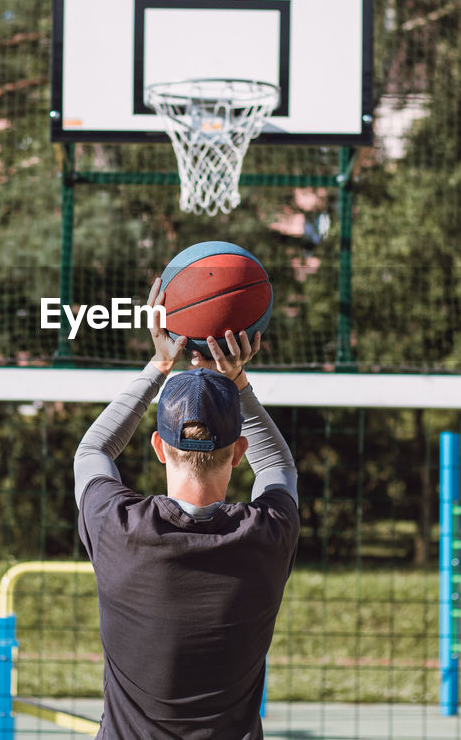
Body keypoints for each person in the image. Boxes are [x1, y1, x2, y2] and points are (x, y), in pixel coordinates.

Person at [73, 276, 300, 739]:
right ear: (238, 452)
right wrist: (237, 380)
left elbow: (92, 450)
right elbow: (278, 464)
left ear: (159, 446)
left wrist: (158, 365)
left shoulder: (119, 529)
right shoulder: (267, 536)